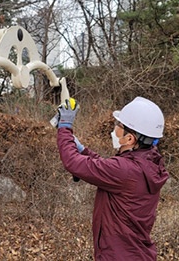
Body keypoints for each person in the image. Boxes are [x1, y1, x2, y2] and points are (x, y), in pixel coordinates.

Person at [56, 97, 169, 261]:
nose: (114, 129)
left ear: (130, 138)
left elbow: (72, 162)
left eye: (119, 126)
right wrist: (83, 150)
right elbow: (107, 167)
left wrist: (65, 127)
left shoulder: (125, 170)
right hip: (136, 254)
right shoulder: (148, 163)